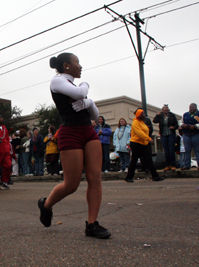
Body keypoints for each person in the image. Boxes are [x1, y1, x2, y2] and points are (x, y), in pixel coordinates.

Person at [38, 52, 111, 239]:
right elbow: (81, 92)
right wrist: (85, 88)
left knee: (95, 177)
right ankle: (46, 205)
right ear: (66, 66)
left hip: (88, 131)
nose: (80, 66)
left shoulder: (72, 86)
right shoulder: (58, 81)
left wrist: (89, 102)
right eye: (77, 62)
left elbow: (95, 116)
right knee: (72, 185)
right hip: (70, 133)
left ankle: (92, 225)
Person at [125, 108, 164, 183]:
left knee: (149, 160)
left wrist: (147, 139)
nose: (144, 115)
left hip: (144, 143)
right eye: (143, 114)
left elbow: (146, 131)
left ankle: (155, 176)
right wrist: (148, 139)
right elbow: (139, 133)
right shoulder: (135, 122)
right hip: (136, 143)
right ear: (139, 115)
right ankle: (129, 177)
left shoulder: (142, 122)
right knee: (134, 160)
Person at [179, 103, 199, 170]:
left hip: (196, 134)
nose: (191, 109)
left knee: (197, 150)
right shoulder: (185, 114)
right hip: (186, 134)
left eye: (193, 107)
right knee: (187, 150)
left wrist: (196, 126)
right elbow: (180, 122)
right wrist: (183, 125)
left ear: (196, 107)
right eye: (190, 107)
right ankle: (187, 165)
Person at [153, 105, 179, 171]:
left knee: (171, 150)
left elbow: (176, 124)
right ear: (162, 110)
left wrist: (174, 127)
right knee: (166, 151)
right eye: (165, 109)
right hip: (163, 134)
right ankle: (168, 165)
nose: (167, 110)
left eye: (167, 109)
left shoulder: (172, 115)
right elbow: (155, 121)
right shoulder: (160, 116)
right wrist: (157, 115)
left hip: (171, 134)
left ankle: (173, 165)